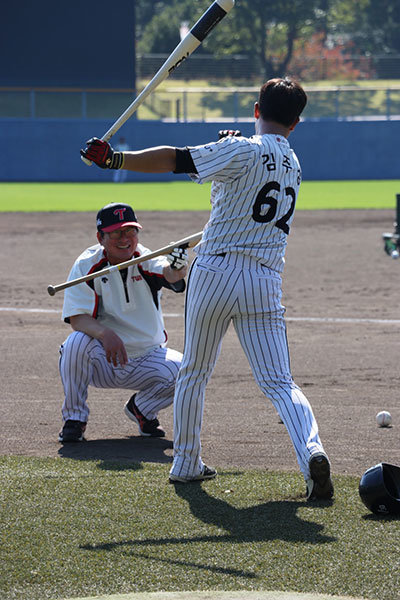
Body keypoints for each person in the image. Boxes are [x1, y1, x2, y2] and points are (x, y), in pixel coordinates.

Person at [80, 77, 334, 501]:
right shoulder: (294, 164)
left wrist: (115, 160)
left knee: (195, 372)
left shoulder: (242, 149)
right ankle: (312, 454)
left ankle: (186, 462)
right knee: (280, 383)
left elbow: (174, 159)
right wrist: (228, 151)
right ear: (297, 123)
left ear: (256, 110)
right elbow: (232, 192)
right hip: (264, 278)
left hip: (215, 272)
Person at [58, 202, 188, 443]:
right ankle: (74, 419)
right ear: (100, 237)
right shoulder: (87, 265)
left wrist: (178, 267)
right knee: (75, 343)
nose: (125, 238)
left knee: (186, 370)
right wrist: (105, 333)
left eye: (131, 231)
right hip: (104, 360)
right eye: (117, 232)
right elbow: (77, 319)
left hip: (146, 357)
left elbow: (169, 275)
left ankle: (142, 409)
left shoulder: (146, 258)